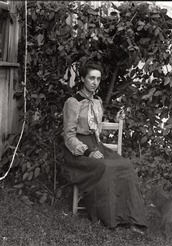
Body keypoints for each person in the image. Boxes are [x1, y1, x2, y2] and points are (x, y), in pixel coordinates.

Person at [62, 62, 148, 235]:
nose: (95, 82)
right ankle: (111, 220)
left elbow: (95, 125)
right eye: (91, 78)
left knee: (126, 165)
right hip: (78, 152)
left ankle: (131, 219)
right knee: (105, 167)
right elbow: (68, 136)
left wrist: (115, 120)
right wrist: (88, 152)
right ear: (82, 79)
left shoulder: (97, 101)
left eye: (98, 79)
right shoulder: (73, 102)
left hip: (96, 145)